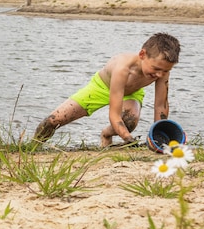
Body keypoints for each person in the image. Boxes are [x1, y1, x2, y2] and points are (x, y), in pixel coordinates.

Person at [33, 32, 180, 148]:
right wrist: (129, 139)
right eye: (156, 69)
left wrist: (159, 135)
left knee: (129, 121)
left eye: (165, 71)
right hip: (101, 88)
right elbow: (114, 115)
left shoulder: (162, 71)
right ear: (142, 55)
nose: (160, 74)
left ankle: (106, 134)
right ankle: (32, 146)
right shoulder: (123, 68)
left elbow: (160, 106)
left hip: (132, 92)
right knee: (52, 122)